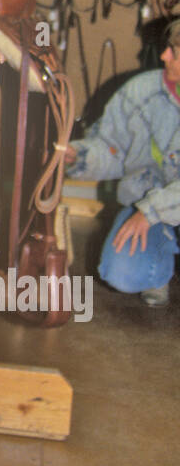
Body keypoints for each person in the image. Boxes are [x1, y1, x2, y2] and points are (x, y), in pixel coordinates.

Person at [66, 18, 180, 307]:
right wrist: (77, 156)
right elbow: (112, 150)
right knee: (122, 273)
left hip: (157, 207)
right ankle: (158, 266)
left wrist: (152, 211)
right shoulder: (140, 92)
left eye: (175, 51)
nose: (164, 56)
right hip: (151, 204)